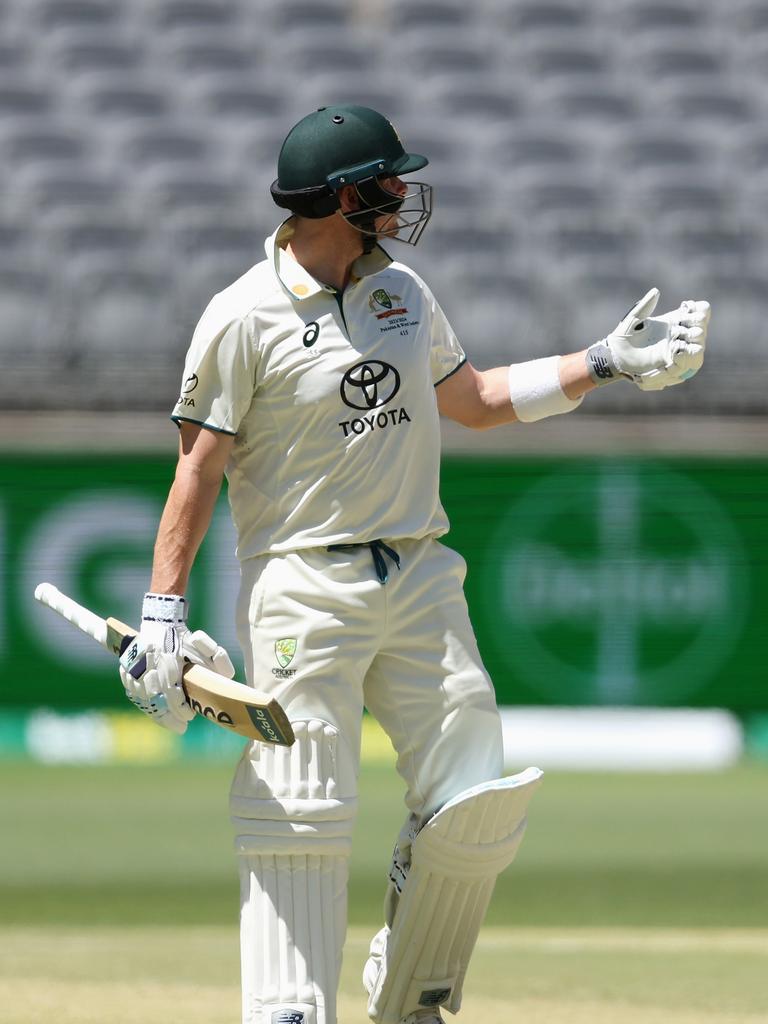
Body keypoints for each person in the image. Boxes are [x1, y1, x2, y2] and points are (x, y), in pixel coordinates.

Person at [118, 105, 711, 1024]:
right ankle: (289, 1007)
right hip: (302, 583)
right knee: (301, 800)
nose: (402, 196)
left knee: (476, 794)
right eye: (385, 184)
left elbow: (471, 401)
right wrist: (163, 607)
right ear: (338, 196)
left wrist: (602, 362)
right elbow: (197, 467)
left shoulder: (403, 290)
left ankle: (413, 983)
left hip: (420, 573)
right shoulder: (241, 317)